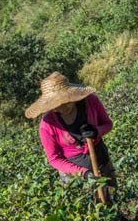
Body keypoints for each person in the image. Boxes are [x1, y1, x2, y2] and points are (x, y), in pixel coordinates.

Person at [25, 72, 116, 202]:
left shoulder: (91, 101)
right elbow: (54, 159)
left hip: (101, 160)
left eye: (65, 102)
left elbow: (108, 124)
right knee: (91, 213)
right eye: (56, 105)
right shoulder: (47, 125)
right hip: (74, 174)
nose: (62, 108)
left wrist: (97, 131)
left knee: (112, 200)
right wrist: (82, 173)